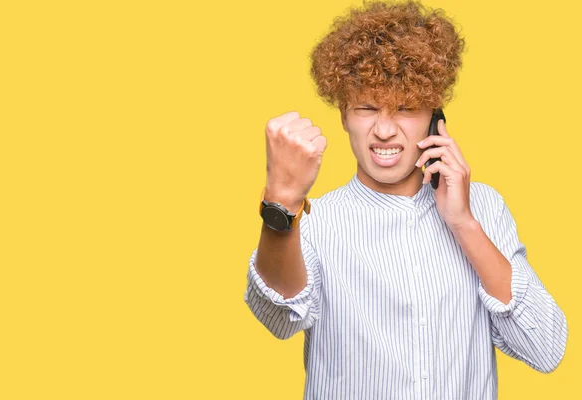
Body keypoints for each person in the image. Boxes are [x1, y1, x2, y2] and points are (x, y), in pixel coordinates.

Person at [243, 1, 568, 398]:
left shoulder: (485, 208)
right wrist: (282, 202)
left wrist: (464, 223)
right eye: (366, 107)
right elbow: (278, 317)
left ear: (436, 116)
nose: (383, 130)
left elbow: (545, 348)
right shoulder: (314, 222)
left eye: (406, 108)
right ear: (344, 115)